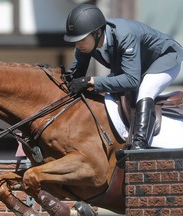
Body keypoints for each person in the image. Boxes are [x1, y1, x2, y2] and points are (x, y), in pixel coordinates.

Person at [64, 4, 183, 150]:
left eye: (81, 39)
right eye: (75, 40)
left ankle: (140, 145)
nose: (77, 45)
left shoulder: (124, 36)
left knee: (145, 90)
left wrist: (92, 81)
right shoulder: (87, 43)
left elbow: (132, 81)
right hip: (135, 65)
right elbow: (74, 76)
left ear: (97, 33)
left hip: (164, 58)